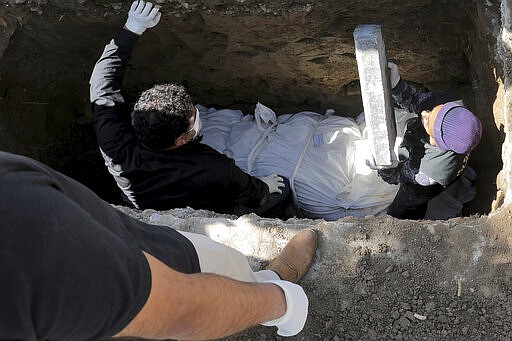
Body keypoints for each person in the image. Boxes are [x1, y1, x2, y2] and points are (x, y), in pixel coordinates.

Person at [0, 150, 318, 340]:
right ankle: (270, 282)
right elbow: (186, 307)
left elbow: (103, 96)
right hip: (156, 271)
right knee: (225, 271)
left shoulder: (116, 141)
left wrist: (127, 35)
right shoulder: (30, 237)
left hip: (113, 253)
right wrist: (283, 305)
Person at [90, 1, 291, 218]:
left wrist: (132, 28)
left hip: (141, 201)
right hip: (204, 210)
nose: (196, 112)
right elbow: (252, 194)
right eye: (193, 115)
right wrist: (265, 186)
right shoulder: (212, 166)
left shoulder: (115, 143)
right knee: (283, 189)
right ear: (181, 139)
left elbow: (103, 82)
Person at [374, 62, 483, 219]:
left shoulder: (426, 172)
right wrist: (398, 86)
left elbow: (397, 175)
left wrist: (383, 167)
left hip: (425, 185)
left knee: (408, 204)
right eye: (434, 111)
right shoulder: (453, 103)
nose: (425, 114)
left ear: (437, 140)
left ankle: (406, 223)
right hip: (447, 162)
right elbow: (421, 101)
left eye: (429, 122)